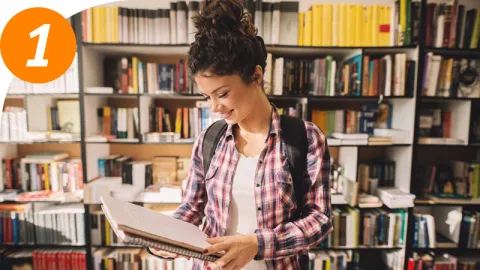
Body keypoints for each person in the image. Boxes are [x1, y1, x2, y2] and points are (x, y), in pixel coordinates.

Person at [149, 0, 333, 269]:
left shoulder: (305, 138)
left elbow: (320, 220)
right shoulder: (208, 139)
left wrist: (257, 244)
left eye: (223, 93)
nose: (215, 107)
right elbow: (192, 207)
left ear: (256, 76)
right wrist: (167, 236)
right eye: (207, 96)